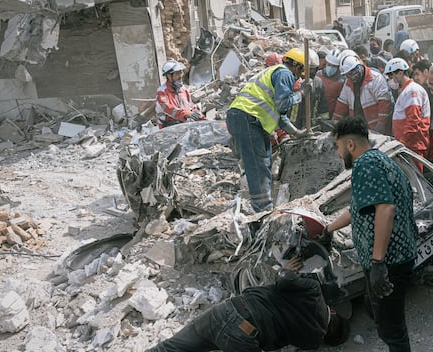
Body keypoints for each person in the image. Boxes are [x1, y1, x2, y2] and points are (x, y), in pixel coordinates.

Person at [320, 117, 418, 351]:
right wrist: (328, 229)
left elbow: (385, 208)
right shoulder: (380, 159)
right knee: (378, 311)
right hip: (397, 257)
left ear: (350, 145)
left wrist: (377, 263)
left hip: (390, 261)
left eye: (337, 146)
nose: (337, 153)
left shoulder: (366, 165)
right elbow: (358, 208)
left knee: (392, 331)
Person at [146, 258, 348, 351]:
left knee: (170, 348)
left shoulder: (314, 291)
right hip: (244, 332)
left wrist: (286, 269)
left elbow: (285, 280)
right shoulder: (311, 342)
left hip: (227, 309)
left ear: (334, 311)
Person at [227, 49, 306, 212]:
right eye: (302, 71)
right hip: (248, 118)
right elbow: (282, 104)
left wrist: (297, 133)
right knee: (258, 165)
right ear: (297, 66)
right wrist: (301, 95)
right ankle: (263, 209)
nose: (300, 76)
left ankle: (264, 204)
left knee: (266, 161)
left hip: (248, 118)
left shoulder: (274, 73)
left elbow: (280, 116)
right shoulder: (285, 73)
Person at [332, 50, 392, 134]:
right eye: (348, 75)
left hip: (374, 126)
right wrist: (335, 122)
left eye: (352, 73)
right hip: (357, 127)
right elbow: (341, 104)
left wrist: (380, 125)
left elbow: (384, 104)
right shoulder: (348, 83)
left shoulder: (376, 79)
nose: (351, 76)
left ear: (358, 67)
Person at [385, 58, 431, 161]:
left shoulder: (411, 90)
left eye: (391, 76)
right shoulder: (406, 91)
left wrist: (402, 141)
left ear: (400, 73)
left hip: (413, 145)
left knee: (414, 176)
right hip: (409, 145)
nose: (390, 79)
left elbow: (413, 120)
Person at [156, 60, 204, 128]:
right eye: (177, 73)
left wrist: (199, 116)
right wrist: (185, 114)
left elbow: (191, 106)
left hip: (183, 125)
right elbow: (168, 108)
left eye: (181, 72)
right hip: (168, 127)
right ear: (169, 76)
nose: (181, 76)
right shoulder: (162, 92)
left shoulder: (183, 89)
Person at [316, 49, 346, 119]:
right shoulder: (317, 75)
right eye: (329, 65)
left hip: (331, 117)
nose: (331, 68)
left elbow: (341, 104)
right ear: (326, 63)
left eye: (334, 66)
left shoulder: (342, 81)